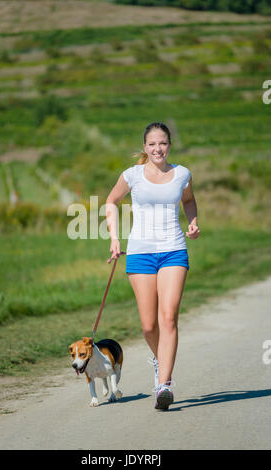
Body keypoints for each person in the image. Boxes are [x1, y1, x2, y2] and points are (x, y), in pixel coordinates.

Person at [105, 122, 200, 410]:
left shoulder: (182, 174)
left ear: (169, 145)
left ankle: (164, 385)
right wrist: (114, 238)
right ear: (145, 147)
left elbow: (189, 200)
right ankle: (159, 359)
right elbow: (111, 201)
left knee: (168, 318)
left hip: (173, 251)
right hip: (140, 253)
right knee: (149, 326)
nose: (158, 148)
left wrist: (193, 221)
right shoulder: (132, 175)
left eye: (163, 143)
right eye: (152, 144)